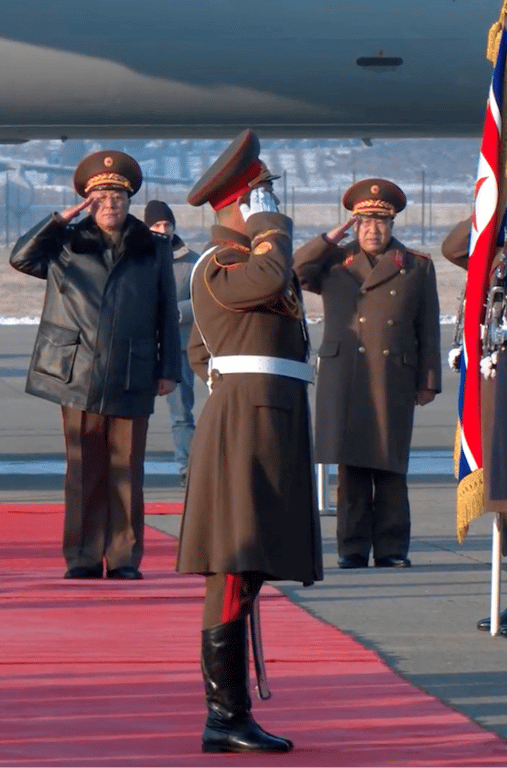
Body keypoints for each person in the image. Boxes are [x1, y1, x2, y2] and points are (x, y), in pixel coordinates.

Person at [175, 129, 321, 754]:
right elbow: (266, 280)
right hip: (247, 426)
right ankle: (223, 716)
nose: (270, 204)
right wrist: (276, 229)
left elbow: (200, 349)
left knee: (250, 566)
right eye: (261, 195)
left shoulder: (248, 268)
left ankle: (229, 714)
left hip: (268, 420)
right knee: (234, 566)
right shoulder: (222, 266)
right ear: (239, 204)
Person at [10, 150, 180, 581]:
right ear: (87, 201)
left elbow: (166, 312)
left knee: (127, 470)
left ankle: (124, 556)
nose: (110, 204)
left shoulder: (153, 248)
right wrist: (58, 220)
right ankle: (82, 556)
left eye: (118, 196)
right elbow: (21, 258)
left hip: (131, 369)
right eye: (101, 196)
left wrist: (168, 369)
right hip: (76, 369)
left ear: (130, 201)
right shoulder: (65, 243)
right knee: (84, 469)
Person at [293, 179, 441, 569]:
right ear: (354, 226)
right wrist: (330, 237)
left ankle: (392, 548)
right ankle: (352, 547)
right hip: (347, 376)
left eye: (381, 221)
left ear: (392, 224)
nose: (373, 230)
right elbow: (295, 270)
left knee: (391, 465)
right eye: (364, 222)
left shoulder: (415, 266)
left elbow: (427, 326)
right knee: (351, 467)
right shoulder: (333, 263)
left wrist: (428, 380)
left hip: (393, 374)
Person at [143, 199, 199, 486]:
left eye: (167, 224)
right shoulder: (136, 256)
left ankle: (187, 469)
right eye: (156, 225)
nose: (163, 229)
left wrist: (178, 312)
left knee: (181, 415)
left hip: (177, 348)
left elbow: (204, 298)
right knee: (133, 414)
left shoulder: (192, 261)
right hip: (141, 347)